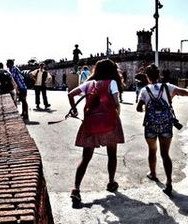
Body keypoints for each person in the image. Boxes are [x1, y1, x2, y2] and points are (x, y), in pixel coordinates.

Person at [67, 59, 126, 206]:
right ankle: (111, 182)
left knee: (86, 157)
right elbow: (116, 104)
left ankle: (76, 189)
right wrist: (115, 116)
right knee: (112, 155)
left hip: (91, 123)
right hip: (109, 123)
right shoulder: (112, 83)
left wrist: (74, 109)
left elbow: (71, 94)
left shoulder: (89, 84)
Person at [136, 65, 188, 194]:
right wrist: (171, 97)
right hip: (166, 124)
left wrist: (147, 109)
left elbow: (138, 108)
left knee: (152, 150)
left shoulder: (144, 90)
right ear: (159, 75)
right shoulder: (168, 87)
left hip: (150, 125)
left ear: (147, 77)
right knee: (165, 154)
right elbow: (185, 92)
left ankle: (153, 174)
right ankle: (169, 182)